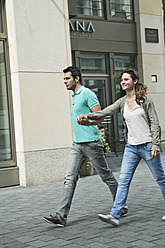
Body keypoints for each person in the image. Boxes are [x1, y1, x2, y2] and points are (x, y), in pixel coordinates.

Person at [77, 68, 165, 226]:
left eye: (126, 79)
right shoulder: (122, 102)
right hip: (132, 147)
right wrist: (88, 116)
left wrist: (156, 145)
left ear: (134, 81)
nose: (123, 82)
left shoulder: (145, 99)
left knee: (161, 179)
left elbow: (155, 122)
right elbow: (105, 112)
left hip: (147, 146)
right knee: (123, 181)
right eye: (122, 80)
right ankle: (114, 215)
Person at [43, 66, 128, 227]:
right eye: (64, 79)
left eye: (67, 78)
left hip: (91, 143)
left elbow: (100, 118)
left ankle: (121, 206)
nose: (65, 82)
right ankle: (61, 216)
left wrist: (87, 121)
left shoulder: (87, 94)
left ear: (76, 78)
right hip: (77, 144)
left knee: (107, 177)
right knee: (69, 179)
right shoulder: (75, 96)